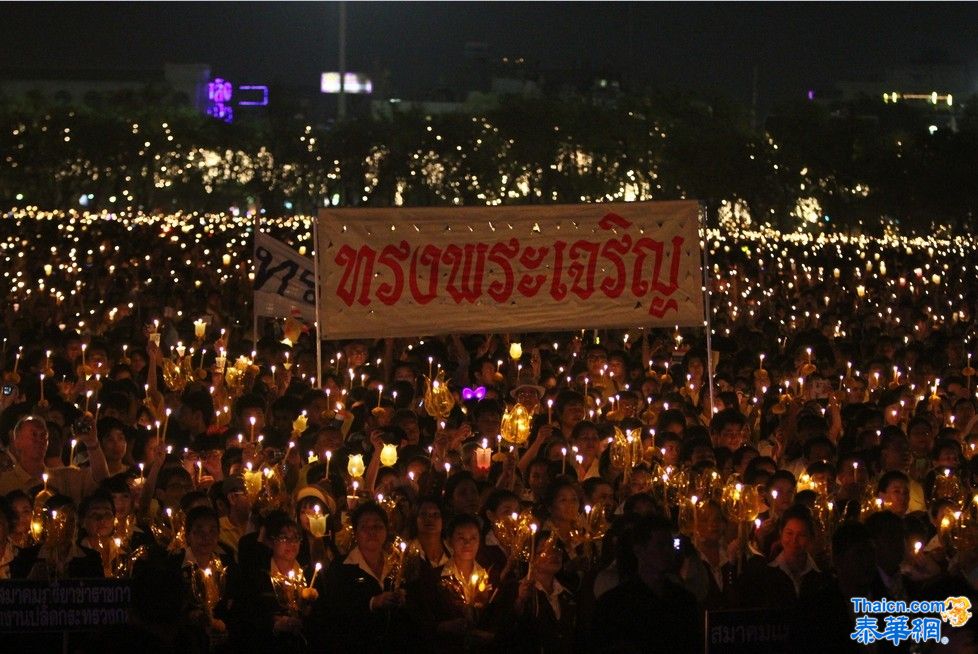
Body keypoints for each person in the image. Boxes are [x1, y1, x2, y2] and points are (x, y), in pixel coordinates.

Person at [591, 514, 701, 653]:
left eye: (670, 545)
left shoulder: (684, 601)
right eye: (660, 545)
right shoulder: (615, 605)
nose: (668, 551)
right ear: (639, 550)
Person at [314, 501, 404, 653]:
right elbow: (337, 608)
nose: (371, 532)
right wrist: (373, 602)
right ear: (356, 533)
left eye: (377, 526)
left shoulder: (397, 565)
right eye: (364, 527)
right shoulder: (341, 566)